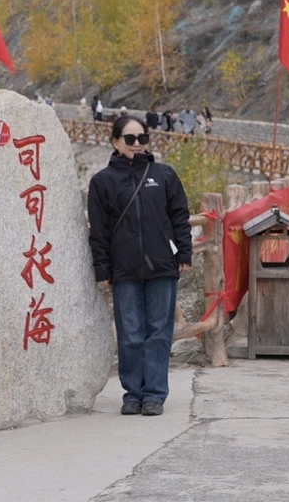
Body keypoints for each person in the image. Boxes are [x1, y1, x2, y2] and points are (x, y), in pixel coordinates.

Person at [88, 115, 193, 417]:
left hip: (162, 265)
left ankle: (155, 394)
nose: (137, 144)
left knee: (159, 331)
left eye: (142, 138)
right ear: (115, 141)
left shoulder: (164, 175)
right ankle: (133, 393)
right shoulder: (102, 182)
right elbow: (99, 230)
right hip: (124, 269)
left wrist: (184, 254)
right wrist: (102, 269)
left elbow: (179, 216)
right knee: (131, 333)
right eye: (130, 138)